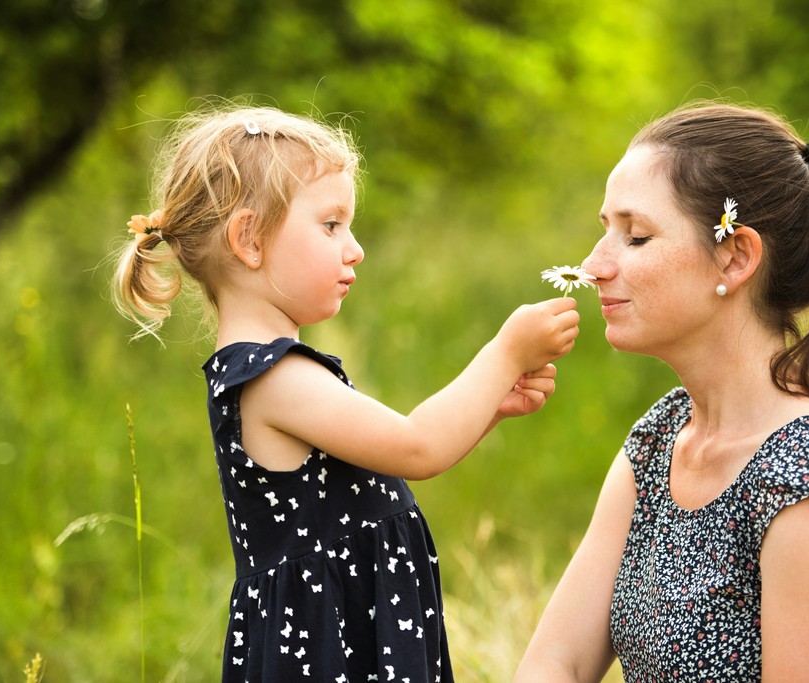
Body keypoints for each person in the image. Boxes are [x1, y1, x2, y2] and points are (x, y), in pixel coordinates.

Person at [112, 104, 580, 682]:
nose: (354, 248)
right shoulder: (273, 378)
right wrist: (505, 352)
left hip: (349, 630)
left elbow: (381, 459)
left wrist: (488, 409)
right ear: (249, 239)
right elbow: (417, 446)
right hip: (333, 647)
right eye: (332, 225)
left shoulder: (271, 374)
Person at [516, 102, 809, 682]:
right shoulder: (662, 438)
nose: (594, 264)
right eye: (604, 229)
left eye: (635, 236)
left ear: (734, 257)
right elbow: (558, 662)